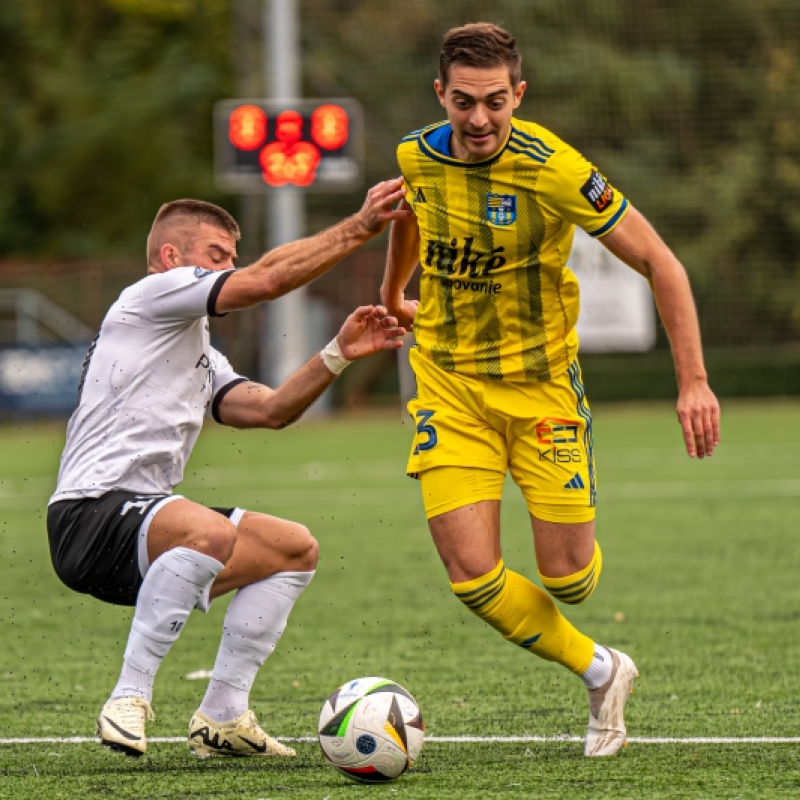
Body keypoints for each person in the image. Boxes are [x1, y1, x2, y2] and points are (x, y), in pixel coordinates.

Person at [381, 23, 720, 757]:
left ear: (518, 95)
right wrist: (393, 290)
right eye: (463, 102)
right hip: (450, 385)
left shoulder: (555, 167)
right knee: (471, 574)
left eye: (495, 102)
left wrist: (693, 382)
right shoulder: (415, 154)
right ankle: (603, 671)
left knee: (568, 580)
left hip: (542, 391)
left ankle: (579, 546)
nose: (479, 120)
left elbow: (663, 263)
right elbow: (411, 212)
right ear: (440, 94)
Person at [47, 178, 411, 758]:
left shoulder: (195, 346)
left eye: (231, 259)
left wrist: (337, 353)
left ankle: (222, 716)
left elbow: (270, 411)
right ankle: (128, 697)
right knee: (211, 531)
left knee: (293, 547)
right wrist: (361, 225)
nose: (230, 267)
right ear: (172, 259)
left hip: (143, 529)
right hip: (89, 515)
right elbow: (266, 281)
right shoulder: (149, 297)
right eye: (217, 256)